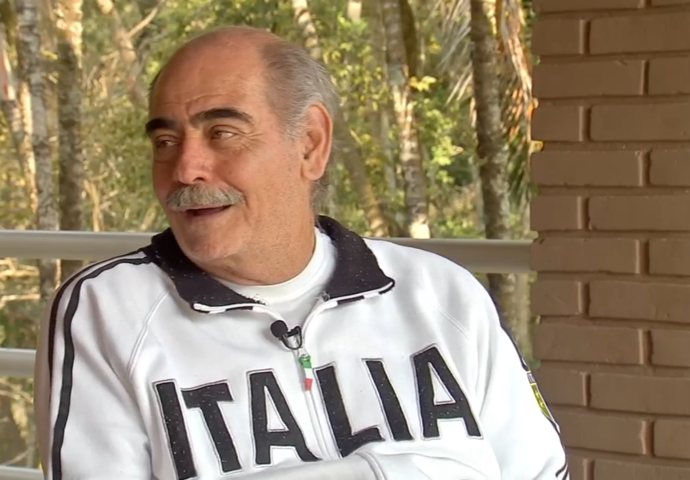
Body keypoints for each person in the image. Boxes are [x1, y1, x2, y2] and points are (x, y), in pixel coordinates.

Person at [34, 26, 568, 480]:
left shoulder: (442, 295)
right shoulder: (108, 312)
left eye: (222, 133)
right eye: (165, 142)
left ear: (310, 143)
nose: (185, 169)